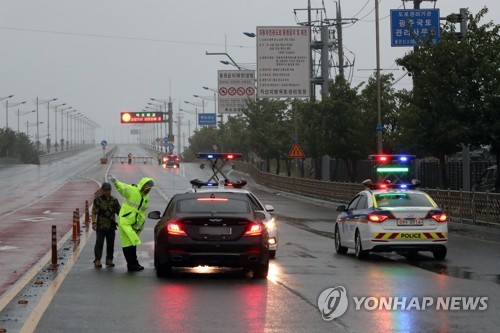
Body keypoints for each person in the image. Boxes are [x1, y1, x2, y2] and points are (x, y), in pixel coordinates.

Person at [108, 174, 154, 272]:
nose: (148, 190)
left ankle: (134, 263)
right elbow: (122, 188)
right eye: (147, 188)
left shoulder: (146, 197)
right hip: (125, 222)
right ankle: (131, 264)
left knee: (133, 243)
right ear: (143, 186)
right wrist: (115, 182)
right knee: (128, 244)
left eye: (150, 189)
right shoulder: (132, 190)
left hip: (134, 224)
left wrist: (141, 224)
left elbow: (142, 211)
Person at [92, 182, 121, 268]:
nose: (107, 192)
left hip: (111, 226)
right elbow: (94, 212)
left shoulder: (114, 200)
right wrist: (93, 223)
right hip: (101, 225)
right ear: (102, 190)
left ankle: (109, 260)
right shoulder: (98, 200)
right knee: (99, 243)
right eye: (105, 190)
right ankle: (97, 260)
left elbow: (120, 212)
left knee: (110, 244)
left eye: (108, 190)